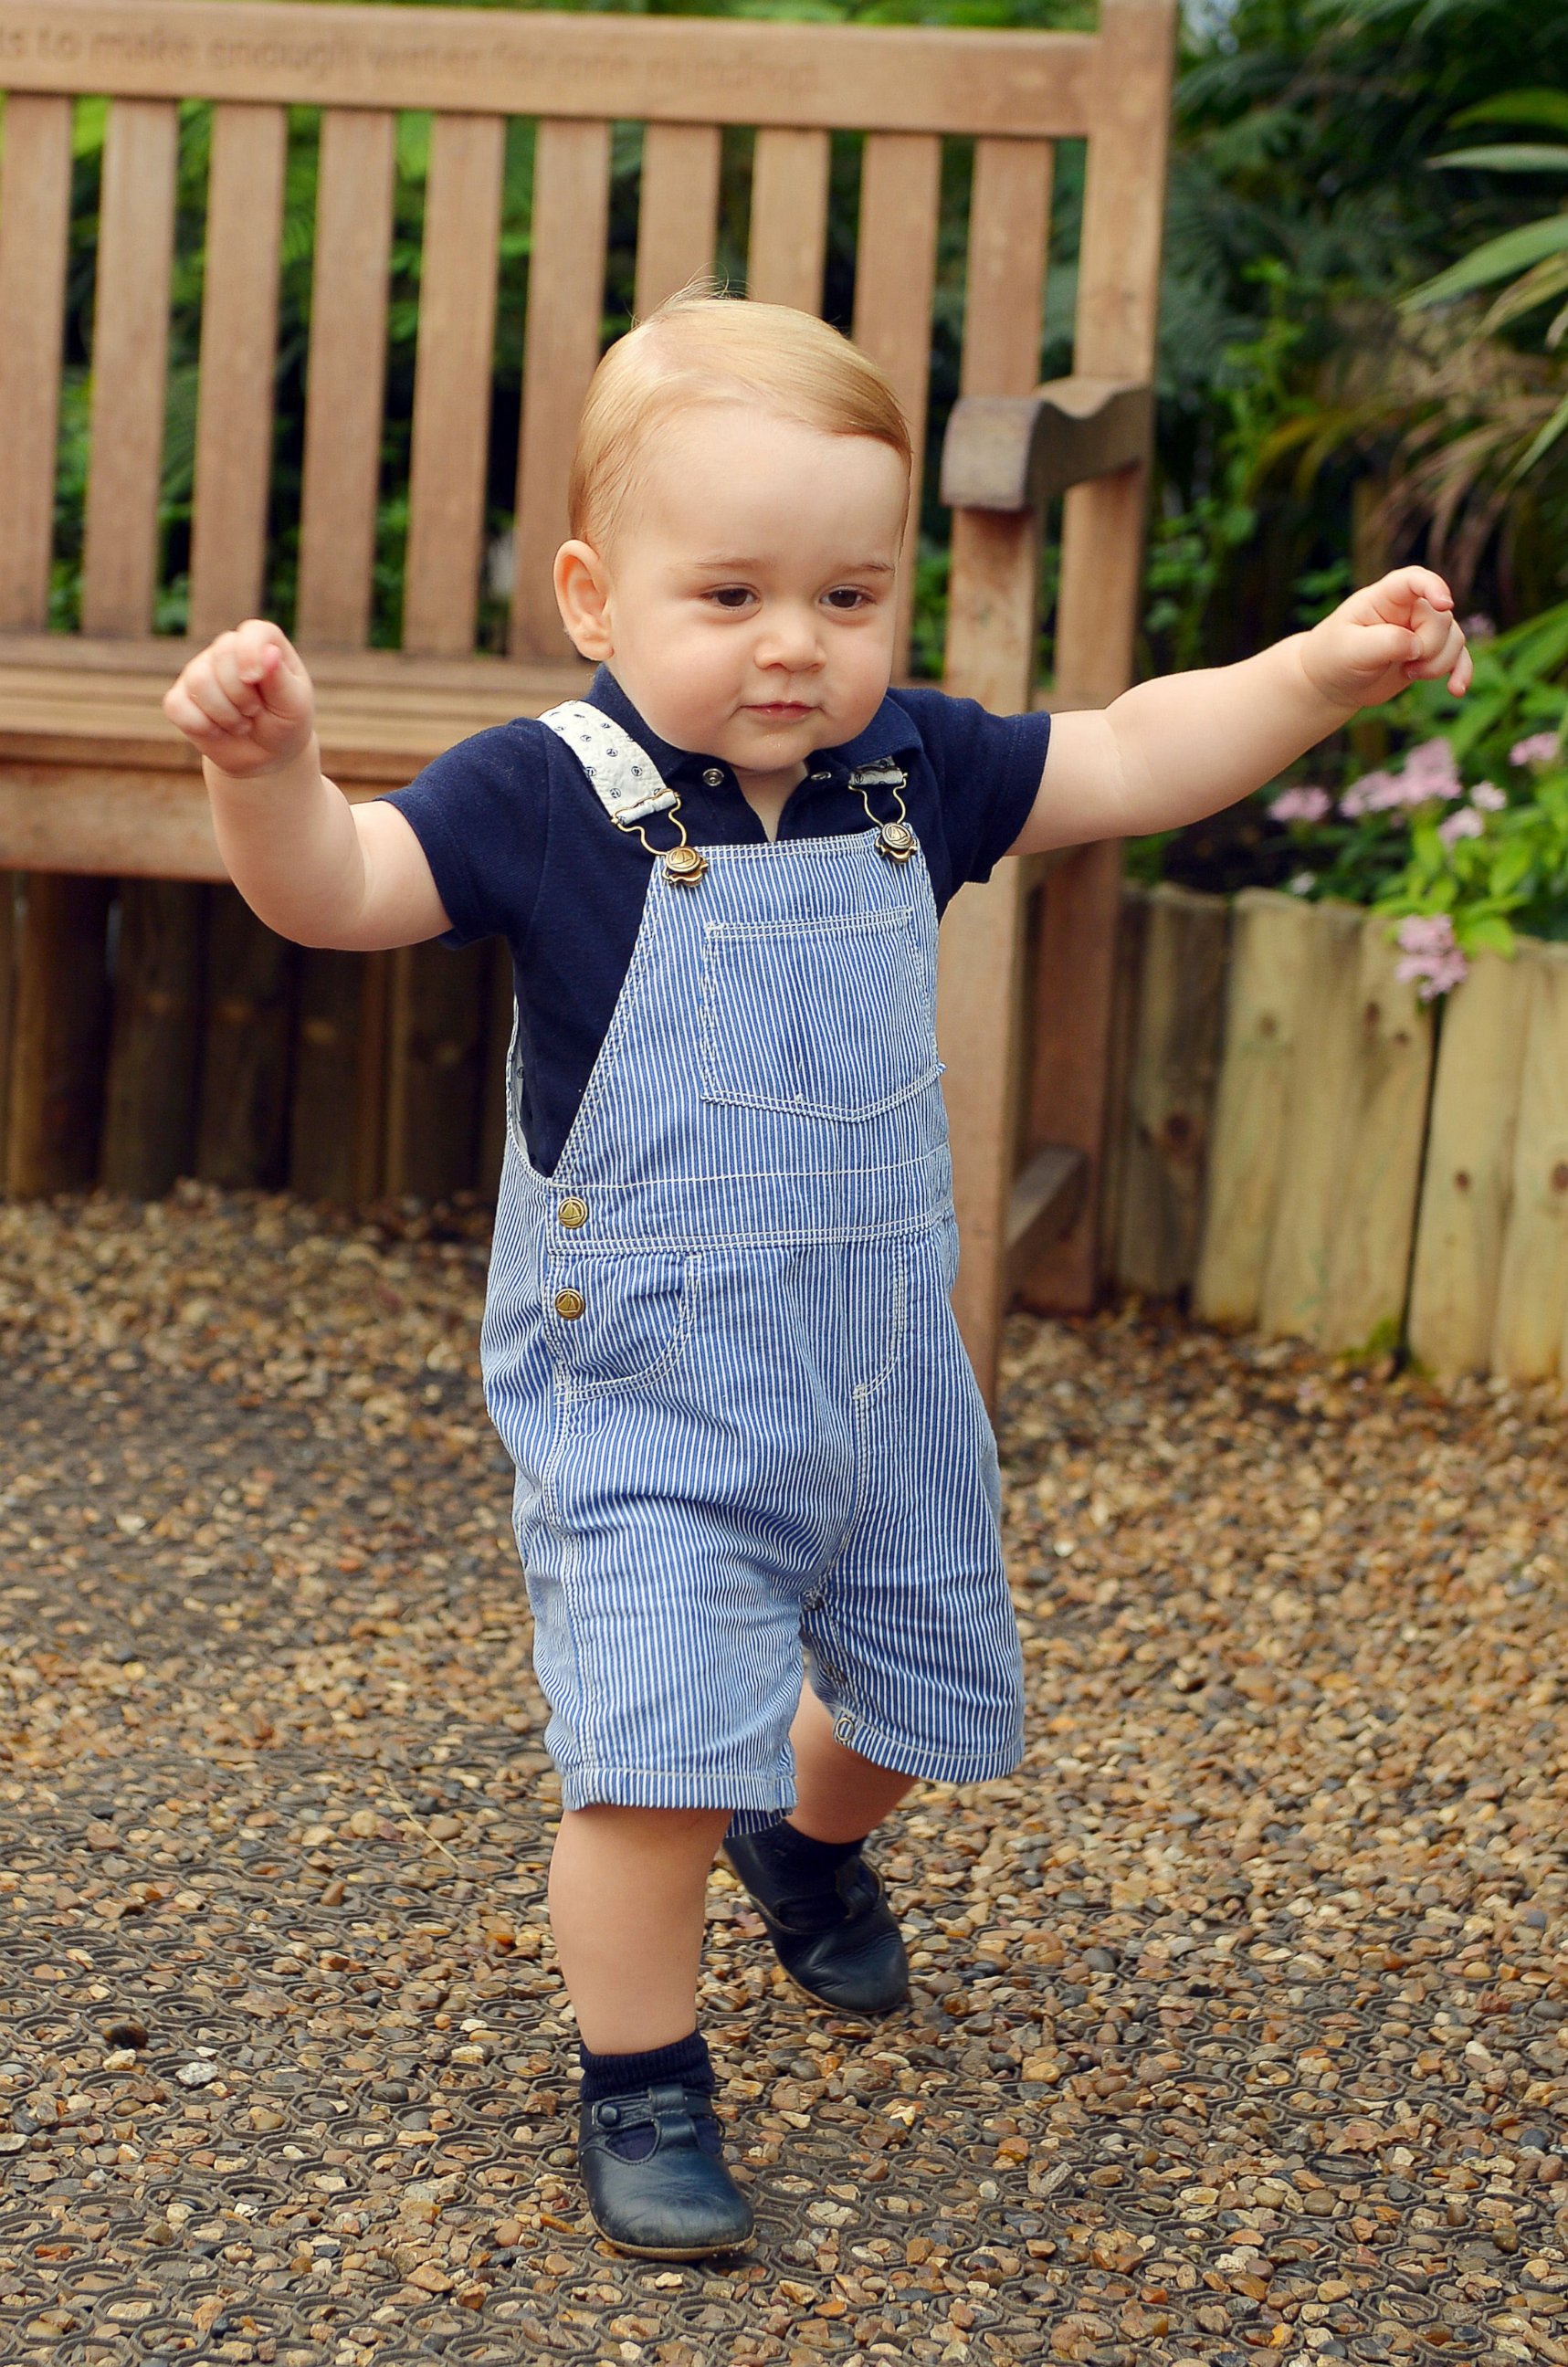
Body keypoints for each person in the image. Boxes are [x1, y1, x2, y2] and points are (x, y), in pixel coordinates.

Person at [163, 290, 1470, 2262]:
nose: (799, 645)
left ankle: (809, 1838)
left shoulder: (909, 771)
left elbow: (1122, 754)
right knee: (648, 1768)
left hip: (874, 1366)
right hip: (653, 1393)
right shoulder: (542, 793)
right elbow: (336, 890)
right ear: (596, 599)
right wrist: (266, 773)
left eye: (851, 597)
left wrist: (1306, 672)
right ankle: (643, 2080)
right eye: (736, 595)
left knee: (911, 1699)